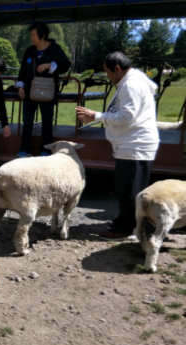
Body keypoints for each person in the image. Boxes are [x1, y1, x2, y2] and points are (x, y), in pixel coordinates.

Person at [75, 52, 159, 240]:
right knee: (128, 187)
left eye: (108, 72)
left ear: (118, 69)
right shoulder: (131, 81)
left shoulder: (131, 85)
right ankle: (128, 221)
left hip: (135, 145)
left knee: (130, 189)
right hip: (132, 145)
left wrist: (96, 115)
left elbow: (127, 116)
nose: (108, 77)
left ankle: (126, 229)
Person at [15, 22, 70, 158]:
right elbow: (22, 71)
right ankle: (24, 149)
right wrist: (20, 86)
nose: (31, 38)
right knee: (27, 121)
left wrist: (49, 65)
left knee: (47, 121)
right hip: (29, 91)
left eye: (34, 35)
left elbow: (66, 65)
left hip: (48, 90)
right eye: (31, 35)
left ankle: (46, 150)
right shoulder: (29, 51)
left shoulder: (55, 49)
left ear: (43, 35)